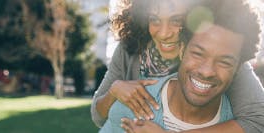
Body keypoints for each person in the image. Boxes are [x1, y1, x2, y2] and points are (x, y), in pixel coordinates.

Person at [91, 0, 264, 132]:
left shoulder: (221, 55)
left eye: (176, 20)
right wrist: (114, 91)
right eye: (155, 19)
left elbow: (258, 119)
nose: (164, 33)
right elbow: (98, 117)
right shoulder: (130, 48)